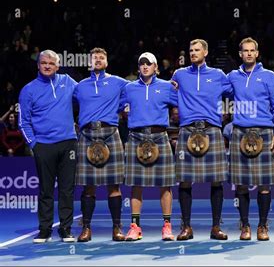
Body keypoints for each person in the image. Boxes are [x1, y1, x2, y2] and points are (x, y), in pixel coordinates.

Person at [172, 39, 233, 240]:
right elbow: (169, 95)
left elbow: (237, 92)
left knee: (216, 181)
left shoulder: (218, 75)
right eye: (191, 50)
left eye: (197, 50)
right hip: (187, 129)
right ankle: (186, 227)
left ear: (205, 52)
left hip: (212, 130)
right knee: (184, 181)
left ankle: (216, 227)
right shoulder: (179, 75)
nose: (193, 53)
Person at [18, 49, 78, 243]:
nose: (47, 66)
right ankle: (44, 230)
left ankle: (65, 229)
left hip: (68, 142)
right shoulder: (28, 90)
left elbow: (85, 95)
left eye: (51, 63)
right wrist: (34, 145)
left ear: (58, 66)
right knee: (45, 190)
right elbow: (23, 122)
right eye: (44, 62)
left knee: (67, 189)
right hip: (43, 145)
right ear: (38, 65)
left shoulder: (68, 81)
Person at [227, 37, 274, 241]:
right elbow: (214, 91)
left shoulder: (269, 76)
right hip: (240, 132)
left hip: (265, 133)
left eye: (252, 50)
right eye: (245, 51)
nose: (249, 53)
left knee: (264, 184)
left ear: (257, 53)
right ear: (240, 54)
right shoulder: (232, 76)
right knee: (241, 184)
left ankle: (262, 226)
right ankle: (245, 226)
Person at [120, 52, 178, 241]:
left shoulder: (167, 87)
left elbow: (183, 103)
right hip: (136, 137)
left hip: (160, 137)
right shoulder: (129, 88)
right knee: (136, 184)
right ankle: (135, 227)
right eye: (142, 63)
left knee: (165, 184)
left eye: (149, 63)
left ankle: (167, 227)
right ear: (138, 67)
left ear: (156, 68)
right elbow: (117, 107)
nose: (145, 66)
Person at [73, 47, 129, 242]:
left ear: (107, 62)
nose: (97, 60)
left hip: (110, 133)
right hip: (87, 134)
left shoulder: (119, 82)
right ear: (89, 62)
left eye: (101, 57)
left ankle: (117, 228)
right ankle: (86, 228)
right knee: (88, 186)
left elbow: (139, 89)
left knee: (114, 186)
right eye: (94, 57)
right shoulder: (79, 86)